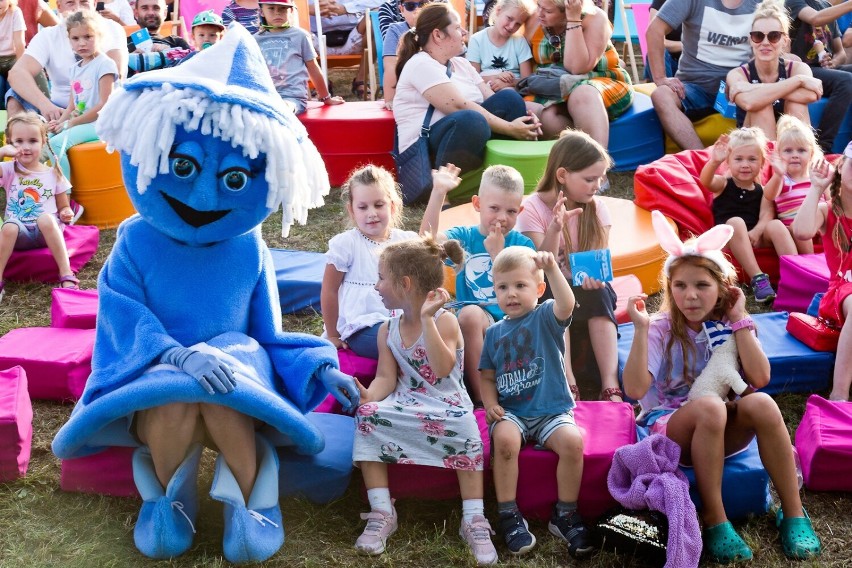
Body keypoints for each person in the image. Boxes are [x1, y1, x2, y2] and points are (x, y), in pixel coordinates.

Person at [51, 26, 359, 563]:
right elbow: (123, 318)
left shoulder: (247, 249)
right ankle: (172, 497)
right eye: (184, 166)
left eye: (235, 179)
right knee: (175, 396)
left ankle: (249, 497)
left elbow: (267, 332)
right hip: (153, 373)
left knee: (220, 391)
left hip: (231, 378)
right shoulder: (135, 240)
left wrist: (319, 368)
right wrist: (176, 356)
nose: (201, 195)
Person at [623, 212, 822, 563]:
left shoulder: (731, 326)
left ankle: (792, 512)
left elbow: (760, 380)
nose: (690, 296)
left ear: (721, 290)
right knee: (713, 407)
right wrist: (639, 330)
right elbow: (636, 389)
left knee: (761, 404)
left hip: (721, 429)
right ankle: (715, 520)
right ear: (669, 288)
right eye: (680, 285)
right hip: (671, 432)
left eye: (702, 285)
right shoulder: (659, 328)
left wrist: (739, 319)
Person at [352, 235, 498, 565]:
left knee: (466, 427)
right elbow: (387, 378)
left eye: (381, 278)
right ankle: (381, 512)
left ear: (404, 284)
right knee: (368, 417)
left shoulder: (445, 320)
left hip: (447, 405)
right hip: (406, 402)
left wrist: (429, 320)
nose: (377, 286)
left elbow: (443, 368)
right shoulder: (386, 328)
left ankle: (473, 518)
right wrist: (368, 396)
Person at [480, 246, 593, 559]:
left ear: (539, 289)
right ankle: (507, 514)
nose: (511, 294)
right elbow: (487, 376)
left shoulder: (545, 316)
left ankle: (565, 514)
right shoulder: (493, 332)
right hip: (512, 412)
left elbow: (567, 303)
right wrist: (490, 404)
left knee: (572, 442)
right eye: (502, 287)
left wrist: (553, 269)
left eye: (520, 285)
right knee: (503, 440)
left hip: (550, 410)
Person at [515, 129, 621, 401]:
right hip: (549, 286)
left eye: (600, 178)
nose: (597, 185)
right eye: (589, 179)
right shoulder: (534, 209)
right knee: (553, 298)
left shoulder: (596, 209)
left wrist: (595, 278)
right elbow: (540, 265)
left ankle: (610, 384)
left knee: (599, 293)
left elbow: (599, 261)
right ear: (562, 175)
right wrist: (555, 228)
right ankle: (567, 379)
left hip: (584, 291)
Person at [421, 164, 536, 406]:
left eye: (511, 211)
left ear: (520, 211)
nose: (502, 218)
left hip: (514, 320)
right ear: (477, 204)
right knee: (470, 314)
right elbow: (426, 243)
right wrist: (439, 193)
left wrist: (498, 256)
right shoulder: (465, 236)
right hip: (477, 322)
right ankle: (483, 399)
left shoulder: (522, 243)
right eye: (494, 208)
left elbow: (524, 290)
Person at [394, 3, 540, 182]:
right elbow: (458, 106)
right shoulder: (420, 64)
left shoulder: (461, 64)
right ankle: (445, 189)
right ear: (438, 35)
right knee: (471, 119)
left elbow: (494, 99)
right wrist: (511, 129)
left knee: (510, 98)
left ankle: (504, 181)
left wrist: (526, 120)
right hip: (425, 153)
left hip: (465, 137)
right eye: (457, 27)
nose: (464, 32)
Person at [320, 164, 421, 359]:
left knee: (440, 329)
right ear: (352, 210)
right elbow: (329, 290)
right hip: (361, 326)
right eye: (363, 207)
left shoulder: (404, 240)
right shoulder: (347, 244)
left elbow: (428, 246)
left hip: (400, 320)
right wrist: (332, 334)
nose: (371, 213)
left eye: (379, 205)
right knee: (394, 340)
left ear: (392, 206)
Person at [699, 128, 797, 304]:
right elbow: (706, 181)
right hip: (728, 240)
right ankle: (758, 279)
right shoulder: (723, 184)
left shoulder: (761, 190)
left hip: (754, 238)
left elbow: (767, 214)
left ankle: (797, 274)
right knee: (736, 222)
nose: (745, 164)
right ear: (728, 161)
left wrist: (758, 231)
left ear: (762, 163)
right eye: (738, 159)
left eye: (752, 159)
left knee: (775, 225)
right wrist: (714, 162)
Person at [647, 0, 761, 151]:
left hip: (740, 86)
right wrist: (660, 78)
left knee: (772, 88)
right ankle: (701, 160)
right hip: (695, 87)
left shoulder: (762, 2)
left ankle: (760, 159)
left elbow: (777, 39)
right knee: (661, 95)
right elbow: (654, 29)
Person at [523, 0, 633, 146]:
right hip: (553, 87)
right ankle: (577, 157)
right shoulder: (534, 20)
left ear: (568, 10)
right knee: (544, 114)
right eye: (539, 6)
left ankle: (596, 161)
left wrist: (573, 20)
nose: (540, 14)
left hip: (598, 80)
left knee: (582, 94)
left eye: (548, 11)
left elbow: (576, 67)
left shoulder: (594, 18)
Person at [792, 146, 852, 401]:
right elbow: (801, 231)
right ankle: (839, 393)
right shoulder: (830, 211)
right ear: (840, 166)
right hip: (842, 290)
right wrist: (816, 188)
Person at [0, 113, 79, 301]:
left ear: (43, 142)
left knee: (46, 217)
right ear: (10, 142)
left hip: (45, 232)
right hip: (20, 235)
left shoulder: (53, 173)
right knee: (9, 225)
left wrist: (66, 212)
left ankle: (66, 274)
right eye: (19, 141)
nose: (26, 147)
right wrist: (3, 152)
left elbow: (63, 206)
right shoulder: (9, 170)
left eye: (32, 140)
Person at [6, 0, 127, 121]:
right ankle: (17, 138)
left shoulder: (111, 28)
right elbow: (16, 74)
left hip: (99, 108)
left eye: (84, 2)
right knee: (14, 96)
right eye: (70, 3)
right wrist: (47, 106)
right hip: (59, 108)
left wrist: (75, 116)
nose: (78, 8)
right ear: (59, 7)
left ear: (94, 4)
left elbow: (116, 72)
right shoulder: (48, 35)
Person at [727, 0, 822, 140]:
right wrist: (798, 81)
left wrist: (756, 89)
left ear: (785, 41)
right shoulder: (737, 74)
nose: (765, 42)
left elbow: (810, 95)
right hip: (752, 145)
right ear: (751, 40)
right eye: (758, 36)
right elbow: (749, 102)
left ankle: (796, 156)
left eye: (774, 36)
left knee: (795, 104)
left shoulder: (798, 68)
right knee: (761, 106)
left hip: (791, 142)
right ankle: (771, 159)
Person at [46, 10, 118, 181]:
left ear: (99, 36)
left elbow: (104, 104)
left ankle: (66, 196)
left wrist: (71, 123)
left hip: (100, 124)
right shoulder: (74, 69)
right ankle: (54, 184)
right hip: (81, 122)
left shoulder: (105, 64)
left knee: (57, 144)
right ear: (69, 40)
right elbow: (72, 105)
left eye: (88, 36)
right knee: (49, 138)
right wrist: (61, 121)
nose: (82, 43)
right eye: (76, 38)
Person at [255, 0, 344, 114]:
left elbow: (313, 68)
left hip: (292, 98)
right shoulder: (255, 39)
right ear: (262, 11)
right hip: (265, 96)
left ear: (291, 10)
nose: (277, 13)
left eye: (282, 8)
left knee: (282, 109)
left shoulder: (300, 36)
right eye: (271, 8)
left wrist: (326, 98)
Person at [786, 0, 852, 153]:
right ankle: (823, 147)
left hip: (822, 70)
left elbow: (840, 52)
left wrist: (833, 63)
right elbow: (816, 18)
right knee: (846, 81)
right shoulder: (794, 2)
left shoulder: (827, 7)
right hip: (801, 69)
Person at [763, 114, 824, 253]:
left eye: (801, 150)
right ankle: (804, 265)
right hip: (791, 232)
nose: (795, 155)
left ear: (811, 153)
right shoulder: (783, 178)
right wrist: (778, 174)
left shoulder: (818, 177)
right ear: (779, 154)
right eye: (788, 151)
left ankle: (811, 264)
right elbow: (769, 195)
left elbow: (832, 202)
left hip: (817, 228)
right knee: (787, 225)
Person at [467, 0, 534, 93]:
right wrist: (496, 77)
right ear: (498, 10)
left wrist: (509, 83)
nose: (511, 26)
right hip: (486, 88)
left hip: (513, 91)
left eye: (518, 24)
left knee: (508, 92)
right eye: (509, 18)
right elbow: (472, 77)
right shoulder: (476, 39)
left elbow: (527, 80)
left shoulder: (520, 41)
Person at [309, 0, 373, 98]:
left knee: (376, 16)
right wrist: (308, 9)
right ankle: (318, 82)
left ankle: (361, 81)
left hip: (355, 35)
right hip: (314, 38)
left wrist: (346, 8)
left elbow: (383, 2)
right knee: (295, 25)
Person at [380, 0, 432, 109]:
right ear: (402, 10)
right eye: (411, 6)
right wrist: (390, 99)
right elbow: (390, 66)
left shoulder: (440, 29)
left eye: (423, 4)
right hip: (409, 90)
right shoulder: (395, 30)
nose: (418, 9)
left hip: (437, 85)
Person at [126, 0, 191, 76]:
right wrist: (128, 61)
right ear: (136, 13)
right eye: (145, 8)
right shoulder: (123, 43)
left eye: (156, 8)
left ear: (165, 13)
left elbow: (190, 69)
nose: (151, 13)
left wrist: (170, 52)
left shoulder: (177, 42)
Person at [644, 0, 681, 81]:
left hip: (693, 65)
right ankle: (666, 88)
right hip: (670, 63)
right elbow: (655, 39)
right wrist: (688, 46)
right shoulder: (661, 2)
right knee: (657, 50)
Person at [0, 0, 25, 107]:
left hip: (12, 58)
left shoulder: (15, 12)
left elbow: (19, 43)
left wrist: (19, 68)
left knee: (14, 84)